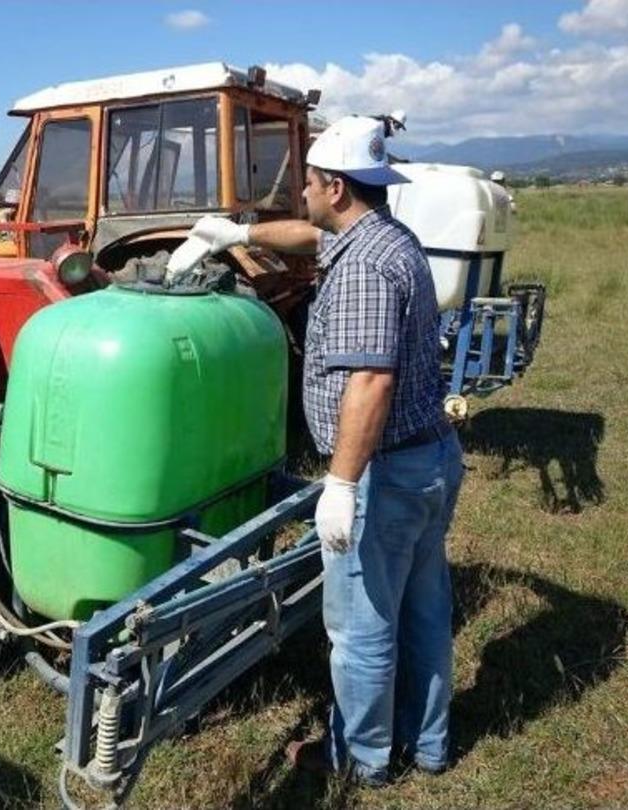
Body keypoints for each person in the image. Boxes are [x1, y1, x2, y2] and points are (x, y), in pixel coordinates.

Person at [168, 115, 464, 785]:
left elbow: (370, 379)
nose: (299, 193)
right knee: (422, 608)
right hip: (430, 461)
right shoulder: (383, 236)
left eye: (305, 182)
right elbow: (307, 236)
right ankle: (429, 744)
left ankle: (362, 760)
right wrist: (235, 233)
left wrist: (341, 483)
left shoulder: (360, 266)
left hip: (384, 474)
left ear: (333, 186)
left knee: (361, 627)